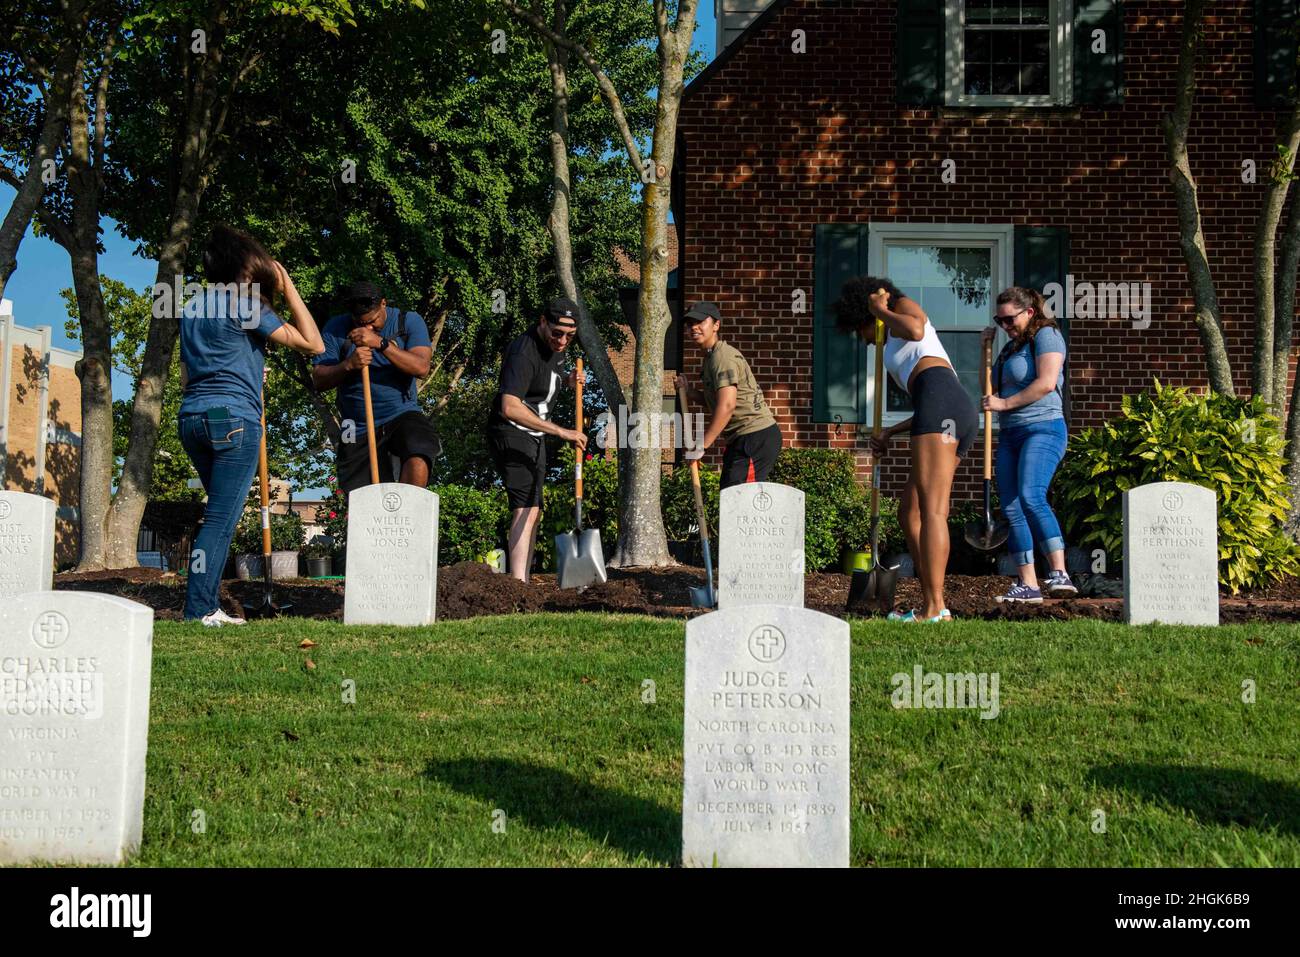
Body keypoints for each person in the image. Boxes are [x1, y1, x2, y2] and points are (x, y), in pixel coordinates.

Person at [177, 225, 325, 626]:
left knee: (219, 517)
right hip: (233, 420)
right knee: (220, 520)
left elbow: (189, 376)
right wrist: (289, 286)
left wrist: (243, 370)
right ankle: (200, 611)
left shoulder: (191, 307)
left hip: (191, 419)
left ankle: (206, 604)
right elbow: (314, 344)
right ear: (245, 269)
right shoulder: (245, 304)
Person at [835, 276, 979, 622]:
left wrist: (881, 309)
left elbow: (916, 330)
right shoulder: (891, 334)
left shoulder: (900, 308)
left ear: (864, 317)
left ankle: (934, 608)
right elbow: (929, 402)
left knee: (932, 512)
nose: (864, 340)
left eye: (860, 330)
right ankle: (934, 601)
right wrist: (890, 432)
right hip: (944, 408)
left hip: (942, 403)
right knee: (910, 513)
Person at [981, 286, 1076, 602]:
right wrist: (986, 351)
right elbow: (994, 389)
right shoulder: (1009, 349)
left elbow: (1046, 383)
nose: (1006, 326)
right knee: (1011, 506)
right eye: (1000, 320)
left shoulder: (1046, 336)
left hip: (1044, 429)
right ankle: (1027, 584)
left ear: (1030, 312)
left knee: (1031, 494)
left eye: (1010, 319)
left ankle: (1059, 574)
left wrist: (1004, 405)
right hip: (1010, 435)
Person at [486, 297, 586, 582]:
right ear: (543, 321)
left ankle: (523, 579)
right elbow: (510, 406)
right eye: (557, 333)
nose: (563, 341)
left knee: (534, 509)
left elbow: (544, 380)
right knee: (525, 507)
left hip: (534, 436)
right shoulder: (523, 352)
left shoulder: (557, 347)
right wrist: (562, 431)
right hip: (511, 431)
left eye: (570, 335)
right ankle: (518, 584)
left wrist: (567, 381)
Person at [311, 281, 438, 494]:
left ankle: (405, 515)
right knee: (358, 497)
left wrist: (381, 343)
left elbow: (421, 367)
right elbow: (319, 379)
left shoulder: (407, 322)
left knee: (420, 450)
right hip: (355, 424)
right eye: (360, 323)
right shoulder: (335, 328)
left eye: (373, 321)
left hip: (401, 413)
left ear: (383, 304)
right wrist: (348, 365)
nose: (368, 327)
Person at [676, 301, 782, 487]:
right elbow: (717, 402)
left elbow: (727, 406)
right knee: (729, 494)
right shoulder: (710, 358)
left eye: (700, 322)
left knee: (740, 498)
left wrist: (701, 446)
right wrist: (689, 392)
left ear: (716, 325)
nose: (694, 328)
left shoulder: (722, 357)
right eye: (690, 324)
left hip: (754, 435)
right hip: (741, 438)